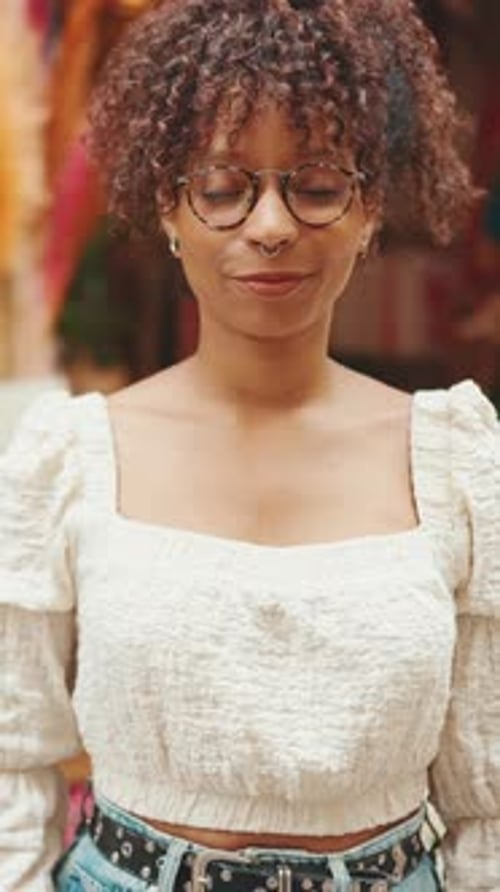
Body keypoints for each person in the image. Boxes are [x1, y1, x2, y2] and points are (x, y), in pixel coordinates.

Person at [0, 1, 498, 889]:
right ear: (167, 208)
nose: (270, 226)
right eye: (224, 188)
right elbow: (11, 758)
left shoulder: (454, 460)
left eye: (315, 186)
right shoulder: (71, 458)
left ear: (370, 209)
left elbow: (486, 800)